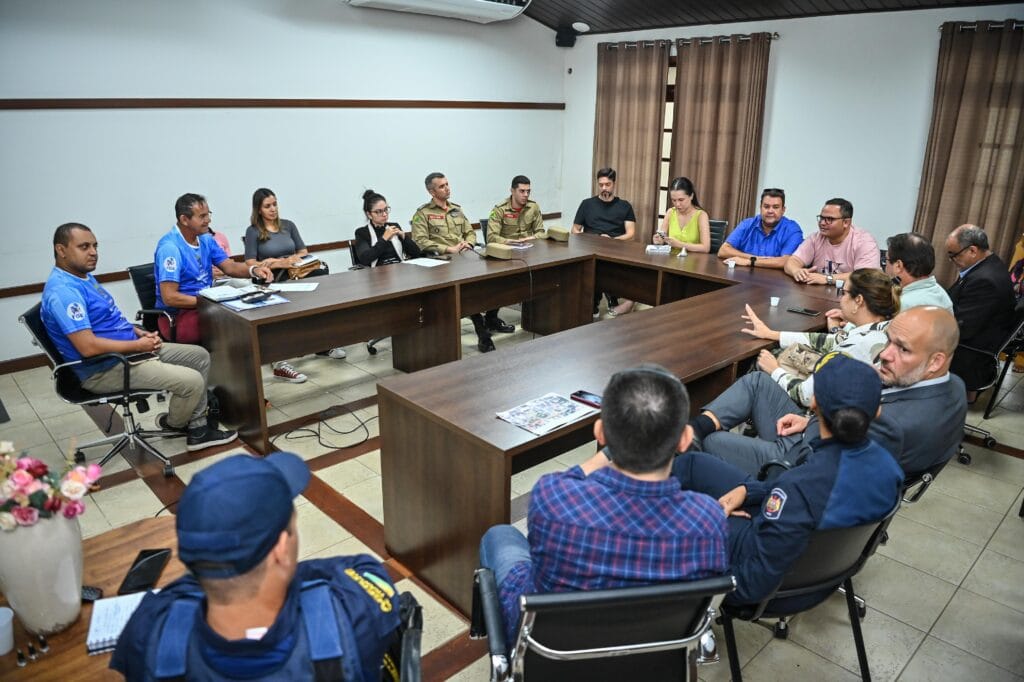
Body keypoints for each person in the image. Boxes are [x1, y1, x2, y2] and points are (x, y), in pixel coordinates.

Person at [479, 364, 729, 641]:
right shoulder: (708, 519)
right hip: (648, 656)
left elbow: (569, 481)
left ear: (599, 433)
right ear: (684, 440)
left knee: (499, 535)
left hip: (548, 647)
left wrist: (612, 448)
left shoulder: (553, 497)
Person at [111, 452, 402, 680]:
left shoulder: (148, 630)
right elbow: (364, 570)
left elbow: (183, 589)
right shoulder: (354, 609)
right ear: (279, 549)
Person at [673, 353, 904, 607]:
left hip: (776, 589)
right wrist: (748, 492)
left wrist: (698, 538)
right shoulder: (889, 467)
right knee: (694, 464)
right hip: (825, 569)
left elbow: (750, 586)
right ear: (877, 409)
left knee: (681, 520)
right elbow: (814, 492)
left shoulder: (797, 489)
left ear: (814, 403)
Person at [688, 306, 967, 476]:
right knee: (759, 382)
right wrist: (810, 419)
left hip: (798, 460)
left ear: (936, 361)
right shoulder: (954, 385)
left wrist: (814, 423)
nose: (885, 354)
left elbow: (819, 470)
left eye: (902, 349)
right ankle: (695, 429)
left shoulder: (893, 425)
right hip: (815, 434)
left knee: (713, 444)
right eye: (889, 342)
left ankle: (687, 447)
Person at [42, 223, 237, 452]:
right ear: (61, 250)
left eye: (95, 246)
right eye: (84, 246)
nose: (93, 252)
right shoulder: (64, 291)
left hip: (129, 351)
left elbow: (106, 321)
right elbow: (87, 347)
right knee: (192, 382)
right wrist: (137, 344)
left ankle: (191, 426)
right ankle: (184, 427)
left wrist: (137, 332)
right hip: (104, 368)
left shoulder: (81, 277)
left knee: (199, 356)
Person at [739, 268, 897, 407]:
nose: (841, 298)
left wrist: (774, 370)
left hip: (817, 416)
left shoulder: (858, 345)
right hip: (849, 404)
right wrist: (771, 334)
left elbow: (805, 395)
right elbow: (831, 341)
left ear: (859, 301)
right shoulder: (886, 328)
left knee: (758, 372)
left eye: (844, 292)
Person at [244, 188, 346, 383]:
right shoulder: (253, 231)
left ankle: (323, 344)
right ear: (258, 209)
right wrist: (275, 262)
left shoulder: (288, 225)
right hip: (273, 280)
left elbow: (303, 251)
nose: (273, 209)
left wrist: (291, 259)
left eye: (275, 204)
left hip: (298, 275)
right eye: (267, 206)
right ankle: (280, 362)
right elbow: (250, 262)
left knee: (319, 298)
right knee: (282, 314)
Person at [154, 193, 272, 344]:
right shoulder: (170, 248)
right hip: (178, 317)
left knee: (252, 315)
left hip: (206, 308)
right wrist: (209, 303)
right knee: (238, 328)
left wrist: (253, 270)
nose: (208, 220)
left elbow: (229, 266)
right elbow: (170, 297)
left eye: (208, 214)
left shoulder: (205, 239)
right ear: (184, 219)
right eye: (202, 216)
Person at [411, 172, 510, 352]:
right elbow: (420, 241)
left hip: (465, 257)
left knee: (496, 280)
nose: (447, 188)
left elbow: (470, 232)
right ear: (431, 192)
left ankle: (491, 318)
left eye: (447, 184)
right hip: (441, 263)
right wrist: (449, 249)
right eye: (442, 186)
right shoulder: (423, 213)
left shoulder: (457, 210)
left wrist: (468, 242)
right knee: (468, 292)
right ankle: (482, 333)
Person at [945, 224, 1016, 396]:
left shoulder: (985, 281)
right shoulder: (989, 265)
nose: (951, 260)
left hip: (970, 354)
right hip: (974, 339)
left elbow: (963, 328)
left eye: (953, 255)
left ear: (972, 251)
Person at [572, 167, 637, 317]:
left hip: (615, 248)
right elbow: (575, 230)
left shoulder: (624, 206)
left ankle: (610, 295)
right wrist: (591, 240)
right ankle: (593, 301)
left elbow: (631, 234)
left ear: (614, 184)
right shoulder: (587, 204)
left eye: (607, 184)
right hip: (590, 248)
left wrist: (611, 240)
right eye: (601, 184)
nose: (604, 188)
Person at [784, 198, 880, 285]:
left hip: (854, 297)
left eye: (829, 219)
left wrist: (827, 279)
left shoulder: (865, 242)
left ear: (846, 222)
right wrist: (796, 271)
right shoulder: (816, 238)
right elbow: (793, 261)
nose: (822, 223)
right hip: (819, 296)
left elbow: (866, 277)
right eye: (821, 218)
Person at [718, 188, 804, 268]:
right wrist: (753, 258)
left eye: (775, 207)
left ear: (783, 210)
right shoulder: (747, 224)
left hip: (774, 281)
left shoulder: (792, 230)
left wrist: (750, 262)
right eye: (766, 206)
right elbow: (723, 250)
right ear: (760, 208)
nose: (770, 211)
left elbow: (786, 261)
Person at [884, 232, 952, 311]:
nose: (885, 265)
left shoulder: (903, 305)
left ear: (898, 266)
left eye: (886, 260)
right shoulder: (941, 293)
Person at [353, 189, 422, 267]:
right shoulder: (362, 232)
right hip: (377, 273)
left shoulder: (394, 226)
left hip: (400, 269)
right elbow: (365, 259)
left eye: (386, 209)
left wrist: (404, 237)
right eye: (379, 211)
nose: (385, 214)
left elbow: (417, 254)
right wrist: (384, 239)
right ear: (369, 214)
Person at [651, 176, 711, 253]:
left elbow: (706, 248)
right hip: (670, 261)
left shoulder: (701, 215)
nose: (677, 204)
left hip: (693, 261)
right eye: (674, 200)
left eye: (681, 200)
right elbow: (662, 237)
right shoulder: (670, 212)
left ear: (691, 196)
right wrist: (659, 240)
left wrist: (680, 244)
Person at [486, 174, 546, 245]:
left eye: (528, 191)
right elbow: (491, 237)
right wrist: (509, 241)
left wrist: (528, 239)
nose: (526, 195)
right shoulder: (499, 209)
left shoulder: (533, 207)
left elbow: (541, 232)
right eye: (522, 191)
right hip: (507, 249)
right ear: (512, 191)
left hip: (528, 248)